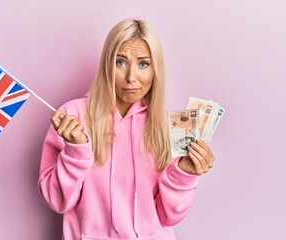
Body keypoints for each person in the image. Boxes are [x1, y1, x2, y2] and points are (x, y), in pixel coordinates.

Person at [38, 18, 215, 240]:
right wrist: (76, 152)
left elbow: (168, 216)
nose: (131, 78)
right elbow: (56, 200)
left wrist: (185, 173)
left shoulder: (170, 127)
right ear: (106, 65)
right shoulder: (72, 117)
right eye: (120, 62)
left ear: (155, 70)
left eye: (143, 64)